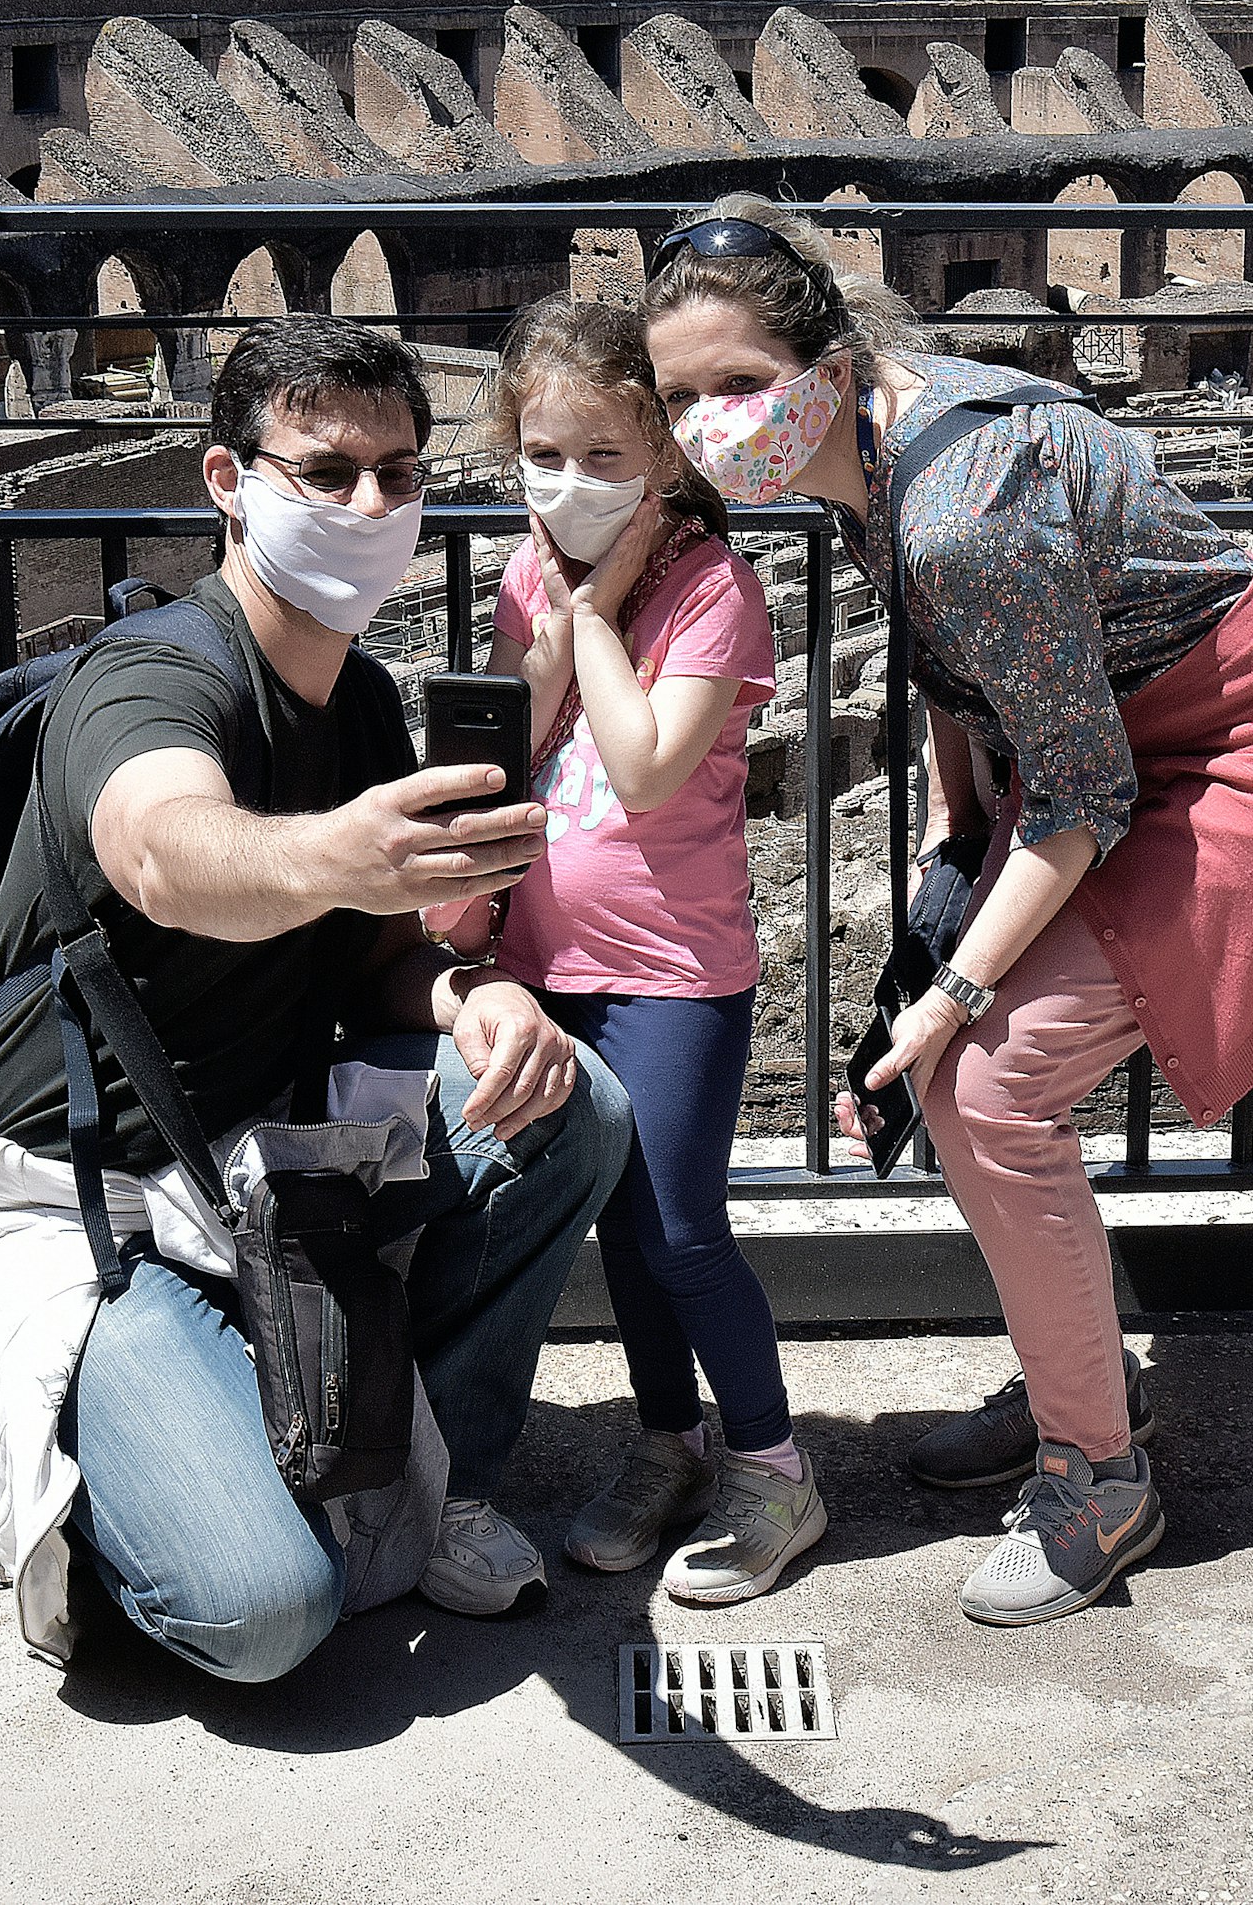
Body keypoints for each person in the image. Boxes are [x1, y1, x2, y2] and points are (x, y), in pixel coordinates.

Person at [642, 198, 1253, 1628]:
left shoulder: (957, 501)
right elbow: (954, 667)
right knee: (971, 1075)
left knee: (989, 1082)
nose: (712, 424)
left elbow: (1088, 795)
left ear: (834, 364)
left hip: (1235, 754)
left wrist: (953, 990)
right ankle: (1080, 1390)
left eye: (739, 385)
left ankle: (1099, 1474)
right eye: (680, 399)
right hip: (1099, 747)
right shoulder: (876, 447)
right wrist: (948, 837)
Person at [0, 315, 634, 1680]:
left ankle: (435, 1473)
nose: (371, 505)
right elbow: (165, 854)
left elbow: (364, 960)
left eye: (400, 474)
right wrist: (334, 852)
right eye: (326, 470)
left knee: (566, 1103)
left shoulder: (353, 697)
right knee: (263, 1618)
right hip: (74, 1198)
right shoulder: (155, 676)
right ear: (226, 481)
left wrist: (468, 992)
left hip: (253, 1152)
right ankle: (109, 1474)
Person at [458, 297, 822, 1604]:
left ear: (667, 458)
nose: (570, 485)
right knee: (619, 1226)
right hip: (552, 961)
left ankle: (775, 1468)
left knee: (681, 1227)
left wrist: (604, 614)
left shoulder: (713, 591)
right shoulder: (524, 570)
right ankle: (668, 1443)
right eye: (545, 457)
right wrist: (559, 621)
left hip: (672, 968)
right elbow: (517, 742)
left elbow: (649, 766)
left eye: (606, 459)